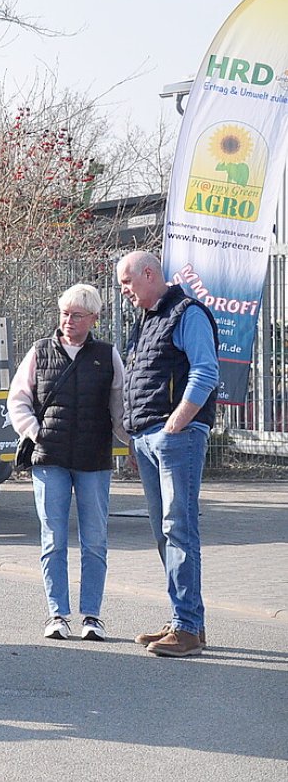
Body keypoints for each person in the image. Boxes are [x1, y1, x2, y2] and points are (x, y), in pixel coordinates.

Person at [7, 284, 129, 642]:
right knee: (53, 539)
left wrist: (134, 443)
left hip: (94, 459)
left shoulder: (108, 355)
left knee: (94, 541)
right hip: (51, 459)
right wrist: (35, 432)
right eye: (64, 313)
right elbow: (18, 398)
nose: (68, 321)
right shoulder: (40, 351)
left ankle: (92, 615)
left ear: (94, 318)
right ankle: (57, 614)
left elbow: (119, 407)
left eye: (77, 315)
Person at [116, 249, 220, 658]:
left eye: (127, 282)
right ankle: (185, 619)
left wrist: (177, 422)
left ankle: (188, 628)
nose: (123, 291)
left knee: (178, 528)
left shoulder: (187, 313)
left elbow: (205, 370)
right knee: (164, 530)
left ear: (148, 273)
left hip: (175, 436)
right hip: (148, 436)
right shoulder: (149, 319)